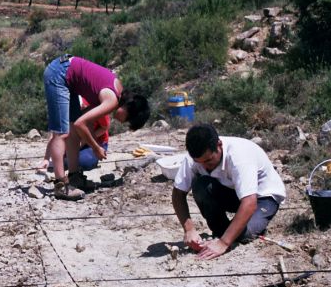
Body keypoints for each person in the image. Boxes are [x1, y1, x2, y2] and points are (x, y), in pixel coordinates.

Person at [39, 54, 150, 199]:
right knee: (61, 132)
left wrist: (89, 136)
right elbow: (81, 123)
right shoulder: (113, 100)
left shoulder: (118, 90)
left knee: (71, 130)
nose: (123, 122)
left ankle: (74, 177)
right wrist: (96, 148)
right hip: (59, 73)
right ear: (129, 108)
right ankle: (60, 185)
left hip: (65, 74)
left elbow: (81, 119)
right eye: (128, 120)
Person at [172, 123, 286, 260]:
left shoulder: (239, 156)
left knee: (242, 236)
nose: (204, 166)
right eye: (199, 162)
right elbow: (178, 193)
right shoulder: (194, 158)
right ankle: (221, 231)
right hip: (234, 193)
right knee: (201, 185)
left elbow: (249, 202)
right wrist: (189, 229)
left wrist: (224, 243)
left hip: (263, 197)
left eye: (208, 160)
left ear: (219, 145)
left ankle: (231, 234)